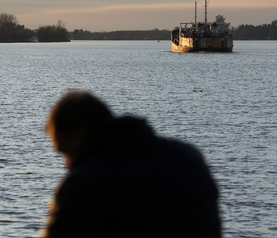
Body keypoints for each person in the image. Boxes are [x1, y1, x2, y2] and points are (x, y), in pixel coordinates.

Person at [43, 90, 221, 238]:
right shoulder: (189, 159)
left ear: (79, 136)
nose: (66, 164)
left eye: (64, 152)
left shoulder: (83, 185)